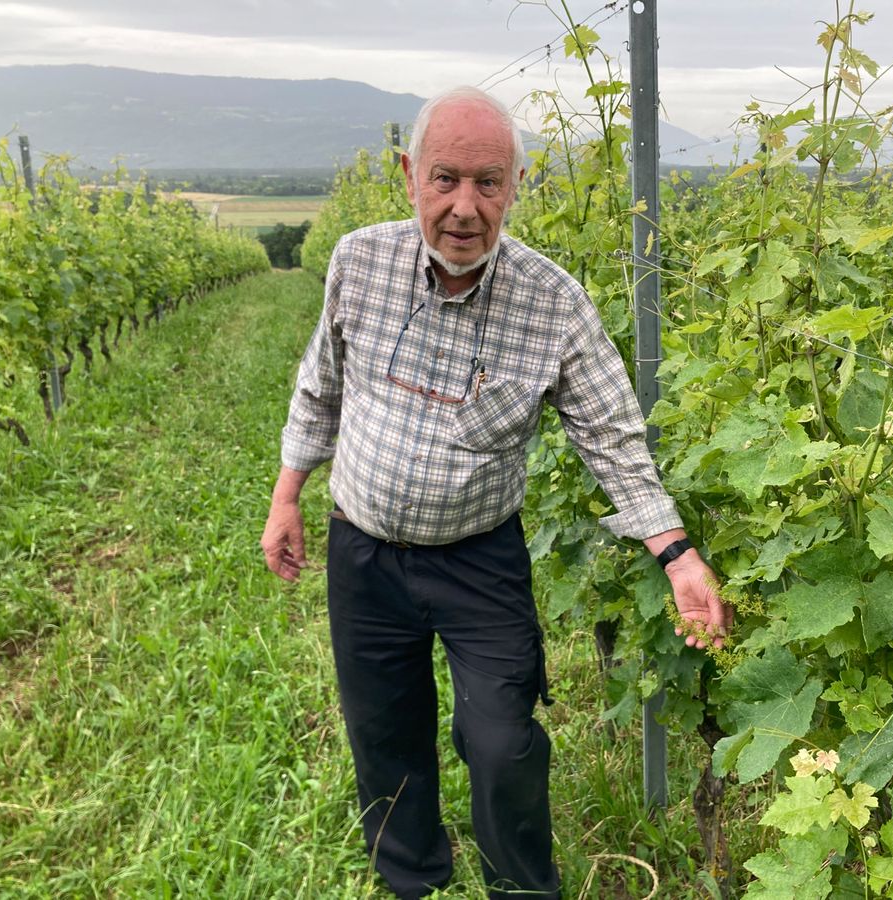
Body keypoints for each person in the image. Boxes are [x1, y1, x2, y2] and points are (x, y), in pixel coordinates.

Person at [260, 86, 729, 900]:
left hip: (480, 561)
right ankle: (411, 878)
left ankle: (520, 890)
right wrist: (287, 493)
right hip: (363, 553)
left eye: (488, 182)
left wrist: (677, 554)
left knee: (503, 740)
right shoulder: (358, 262)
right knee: (383, 731)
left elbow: (612, 437)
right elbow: (319, 387)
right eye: (445, 180)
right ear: (409, 176)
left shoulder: (553, 304)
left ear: (519, 182)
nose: (465, 208)